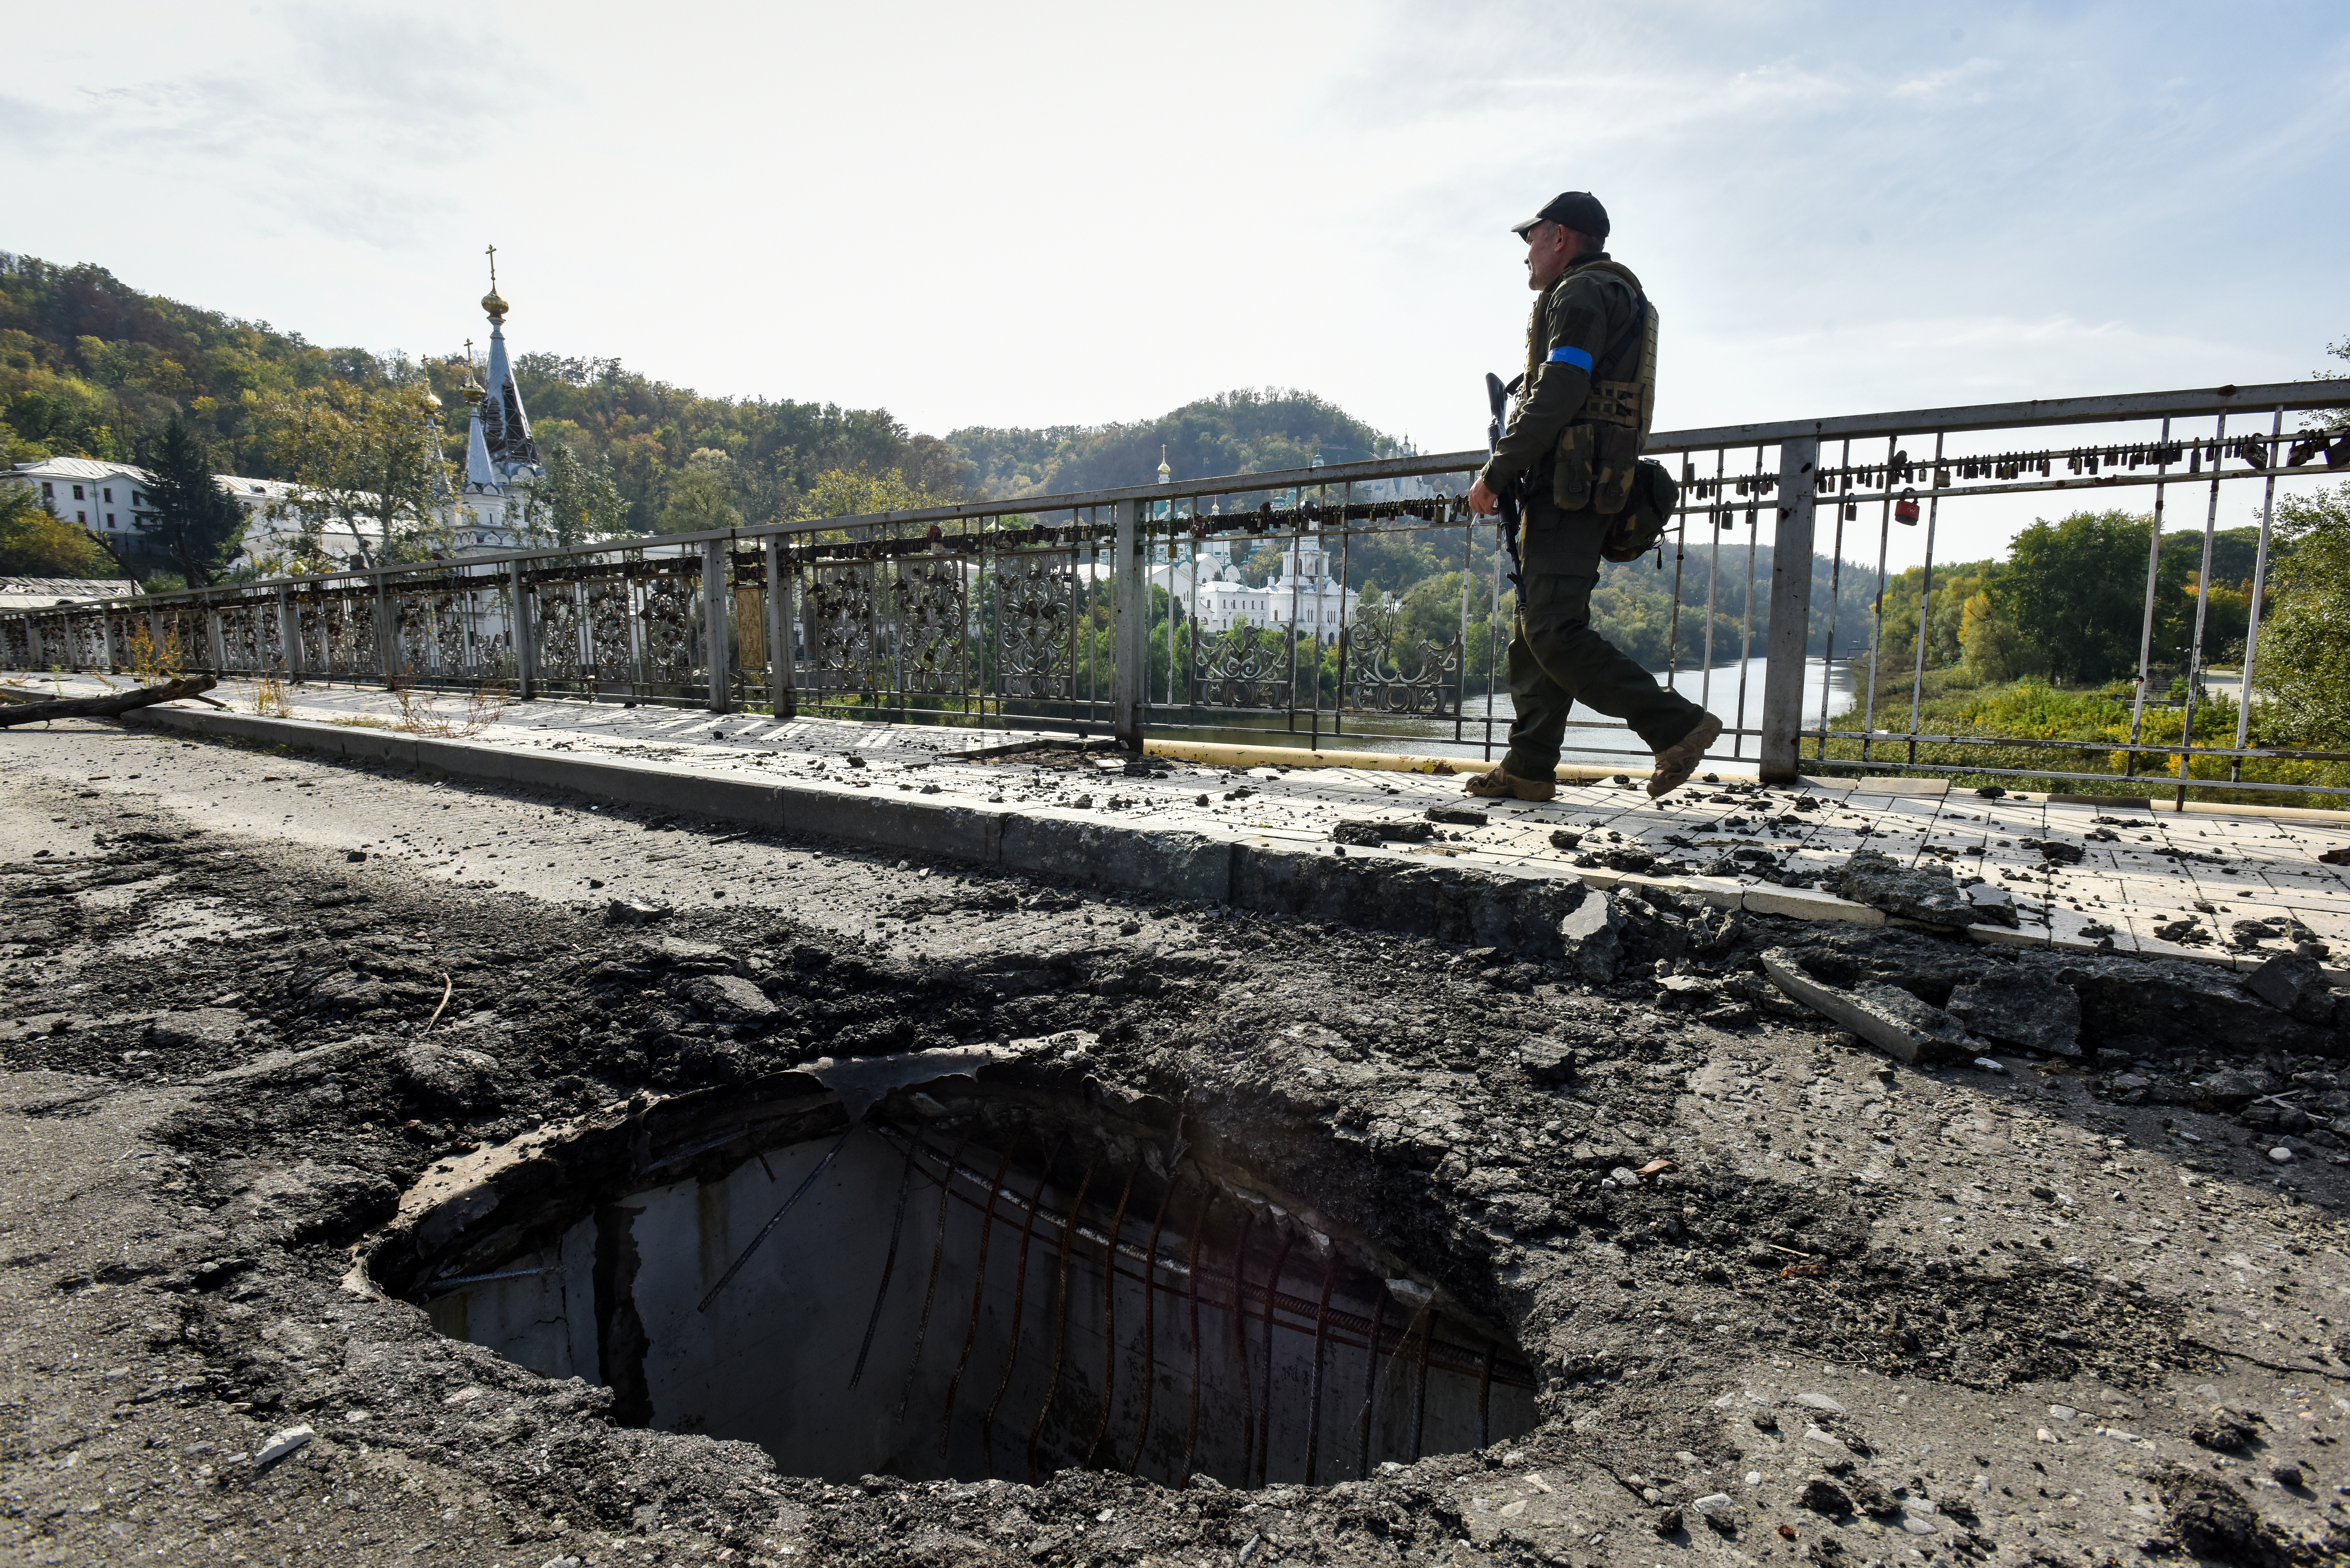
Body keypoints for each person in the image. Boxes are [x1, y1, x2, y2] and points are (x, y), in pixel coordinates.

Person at [1464, 191, 1720, 802]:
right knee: (1534, 630)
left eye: (1532, 238)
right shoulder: (1613, 293)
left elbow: (1564, 385)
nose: (1526, 252)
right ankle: (1528, 767)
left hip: (1567, 487)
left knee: (1553, 629)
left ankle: (1677, 725)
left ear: (1560, 237)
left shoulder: (1579, 293)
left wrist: (1497, 472)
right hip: (1585, 480)